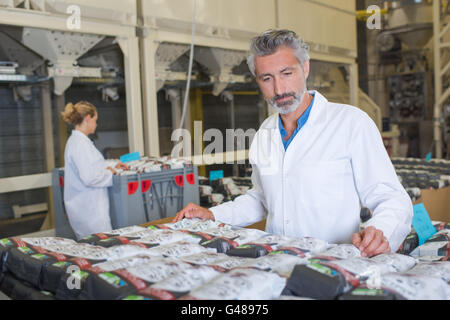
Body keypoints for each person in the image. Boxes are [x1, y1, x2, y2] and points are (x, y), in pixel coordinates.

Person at [173, 29, 413, 258]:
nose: (279, 89)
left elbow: (391, 197)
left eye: (287, 73)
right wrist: (212, 214)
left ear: (305, 68)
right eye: (267, 78)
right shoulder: (265, 132)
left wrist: (380, 229)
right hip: (277, 262)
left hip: (335, 264)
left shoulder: (351, 123)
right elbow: (261, 199)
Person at [61, 101, 128, 239]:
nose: (96, 124)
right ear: (87, 119)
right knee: (100, 246)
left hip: (87, 208)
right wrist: (112, 173)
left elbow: (93, 165)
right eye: (95, 120)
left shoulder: (79, 142)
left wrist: (113, 166)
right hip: (89, 212)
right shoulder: (80, 145)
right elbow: (90, 177)